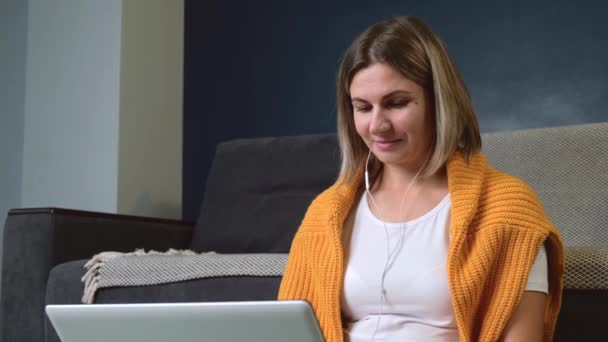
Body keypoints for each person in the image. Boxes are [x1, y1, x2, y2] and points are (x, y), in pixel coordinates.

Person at [278, 16, 564, 342]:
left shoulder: (508, 209)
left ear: (439, 102)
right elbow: (288, 331)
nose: (377, 126)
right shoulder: (326, 213)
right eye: (362, 107)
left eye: (396, 103)